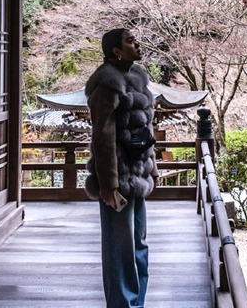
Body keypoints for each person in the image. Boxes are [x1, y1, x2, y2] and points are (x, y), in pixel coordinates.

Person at [84, 28, 159, 308]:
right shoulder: (107, 84)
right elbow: (102, 137)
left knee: (139, 244)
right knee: (120, 248)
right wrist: (108, 184)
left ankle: (136, 303)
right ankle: (122, 305)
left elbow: (147, 130)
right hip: (117, 179)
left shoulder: (137, 78)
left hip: (138, 174)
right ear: (116, 50)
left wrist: (151, 169)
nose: (136, 44)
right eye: (129, 41)